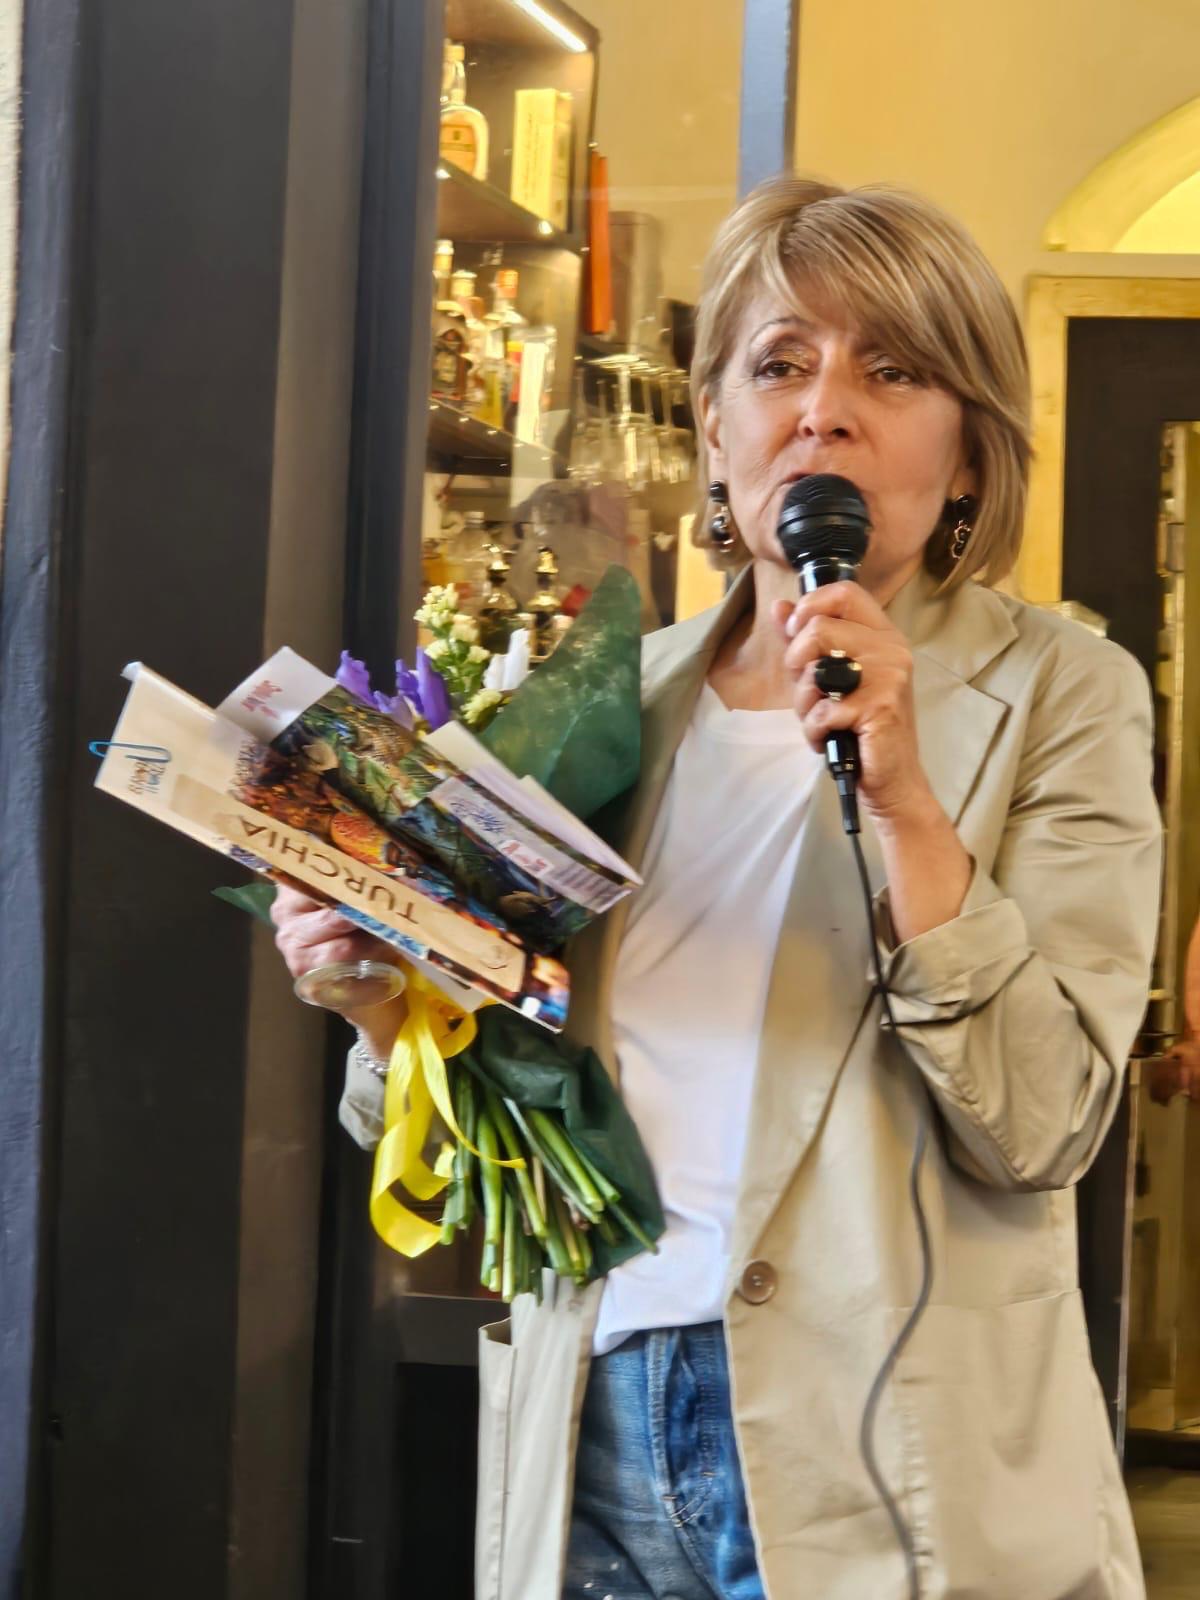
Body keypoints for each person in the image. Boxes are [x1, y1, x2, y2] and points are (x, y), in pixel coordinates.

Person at [271, 177, 1162, 1599]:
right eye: (779, 365)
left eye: (894, 370)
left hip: (885, 1466)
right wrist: (386, 1005)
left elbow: (1047, 1120)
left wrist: (904, 797)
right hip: (592, 1430)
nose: (825, 411)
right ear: (716, 431)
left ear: (971, 456)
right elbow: (472, 1142)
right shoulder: (602, 703)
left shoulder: (1062, 693)